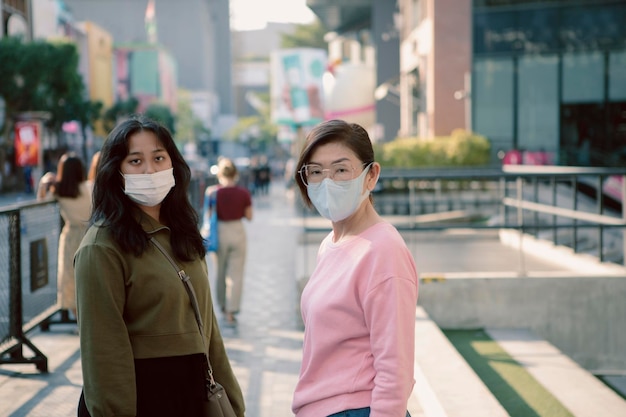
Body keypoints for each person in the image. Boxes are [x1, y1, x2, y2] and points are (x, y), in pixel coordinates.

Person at [74, 116, 245, 417]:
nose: (150, 170)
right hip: (145, 399)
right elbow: (104, 352)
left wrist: (233, 401)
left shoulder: (183, 234)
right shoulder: (101, 247)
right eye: (135, 161)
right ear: (116, 171)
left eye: (158, 158)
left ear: (173, 164)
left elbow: (207, 328)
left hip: (194, 395)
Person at [291, 119, 419, 417]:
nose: (328, 181)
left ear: (370, 175)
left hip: (355, 409)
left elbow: (395, 367)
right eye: (316, 172)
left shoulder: (383, 250)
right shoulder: (331, 243)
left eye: (341, 170)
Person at [37, 152, 92, 322]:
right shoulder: (91, 187)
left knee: (70, 282)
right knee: (91, 281)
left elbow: (41, 201)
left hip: (71, 237)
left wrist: (44, 181)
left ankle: (79, 323)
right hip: (91, 235)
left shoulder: (59, 191)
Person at [203, 157, 252, 326]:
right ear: (235, 174)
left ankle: (223, 307)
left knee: (220, 272)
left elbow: (208, 216)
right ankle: (232, 310)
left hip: (220, 232)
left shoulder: (212, 192)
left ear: (220, 174)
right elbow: (249, 216)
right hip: (237, 231)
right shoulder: (243, 193)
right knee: (236, 274)